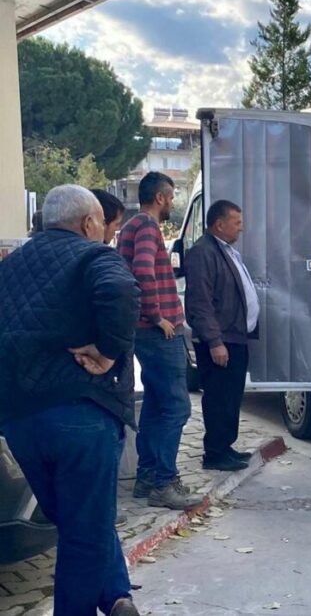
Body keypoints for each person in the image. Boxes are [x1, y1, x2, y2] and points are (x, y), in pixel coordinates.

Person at [0, 185, 142, 616]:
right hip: (80, 413)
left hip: (20, 421)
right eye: (103, 224)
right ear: (87, 223)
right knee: (85, 533)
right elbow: (122, 293)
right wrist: (108, 351)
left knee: (79, 521)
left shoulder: (10, 263)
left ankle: (117, 596)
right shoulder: (93, 256)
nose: (106, 233)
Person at [117, 172, 203, 510]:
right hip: (157, 331)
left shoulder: (130, 227)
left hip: (145, 331)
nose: (172, 202)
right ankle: (164, 483)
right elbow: (142, 272)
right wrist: (158, 316)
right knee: (176, 408)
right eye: (171, 196)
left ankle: (147, 477)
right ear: (161, 198)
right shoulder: (149, 227)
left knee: (155, 404)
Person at [185, 200, 259, 473]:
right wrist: (215, 341)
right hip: (220, 340)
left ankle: (225, 446)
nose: (241, 228)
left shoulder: (225, 250)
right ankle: (215, 452)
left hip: (235, 337)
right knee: (218, 397)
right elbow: (200, 303)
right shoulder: (203, 253)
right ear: (219, 224)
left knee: (231, 397)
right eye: (237, 222)